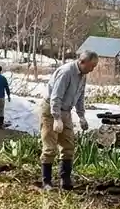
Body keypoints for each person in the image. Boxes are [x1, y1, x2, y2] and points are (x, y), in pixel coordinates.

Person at [39, 50, 98, 190]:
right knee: (50, 146)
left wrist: (81, 115)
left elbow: (80, 96)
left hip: (66, 111)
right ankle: (46, 181)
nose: (92, 69)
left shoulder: (83, 75)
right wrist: (56, 118)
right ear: (82, 62)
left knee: (68, 145)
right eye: (91, 66)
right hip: (51, 110)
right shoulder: (66, 72)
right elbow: (56, 96)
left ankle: (65, 179)